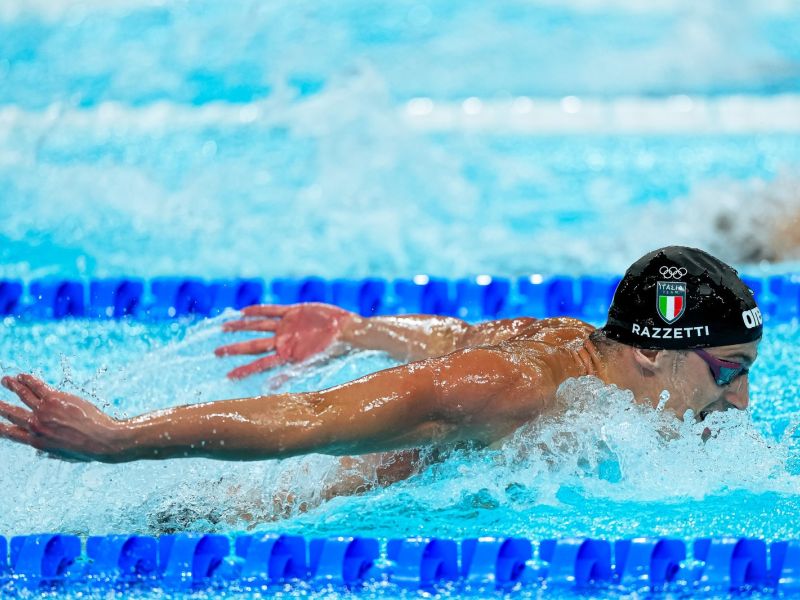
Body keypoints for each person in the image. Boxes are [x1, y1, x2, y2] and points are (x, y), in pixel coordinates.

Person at [0, 246, 761, 491]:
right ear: (652, 351)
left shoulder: (576, 344)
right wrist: (119, 438)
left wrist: (358, 327)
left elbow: (458, 334)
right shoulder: (517, 388)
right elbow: (308, 419)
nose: (742, 398)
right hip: (302, 512)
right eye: (729, 371)